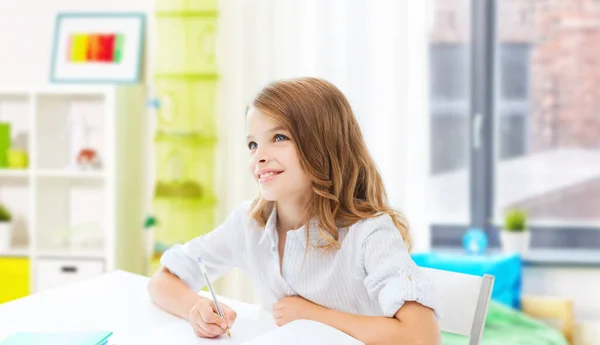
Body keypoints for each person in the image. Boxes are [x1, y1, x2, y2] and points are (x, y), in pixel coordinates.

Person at [148, 77, 440, 345]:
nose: (258, 157)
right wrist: (194, 309)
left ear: (324, 144)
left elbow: (423, 337)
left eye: (278, 138)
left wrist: (314, 315)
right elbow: (162, 281)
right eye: (252, 144)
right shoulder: (249, 224)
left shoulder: (369, 232)